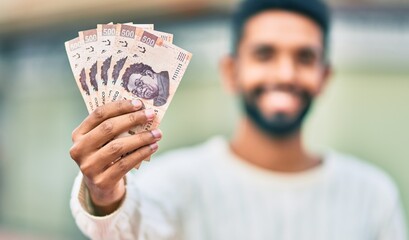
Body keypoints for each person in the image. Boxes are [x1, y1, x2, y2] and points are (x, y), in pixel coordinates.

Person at [69, 0, 407, 239]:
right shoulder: (174, 181)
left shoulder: (373, 195)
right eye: (265, 54)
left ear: (324, 77)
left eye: (304, 57)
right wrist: (105, 191)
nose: (285, 73)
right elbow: (128, 229)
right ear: (231, 72)